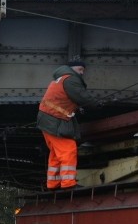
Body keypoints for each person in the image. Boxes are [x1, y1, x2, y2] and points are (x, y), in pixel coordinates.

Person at [36, 57, 100, 190]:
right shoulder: (70, 79)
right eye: (80, 69)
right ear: (72, 68)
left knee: (56, 154)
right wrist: (96, 104)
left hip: (47, 121)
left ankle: (53, 184)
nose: (82, 72)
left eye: (83, 70)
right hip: (54, 121)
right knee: (68, 150)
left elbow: (66, 99)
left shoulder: (60, 79)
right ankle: (68, 184)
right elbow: (82, 96)